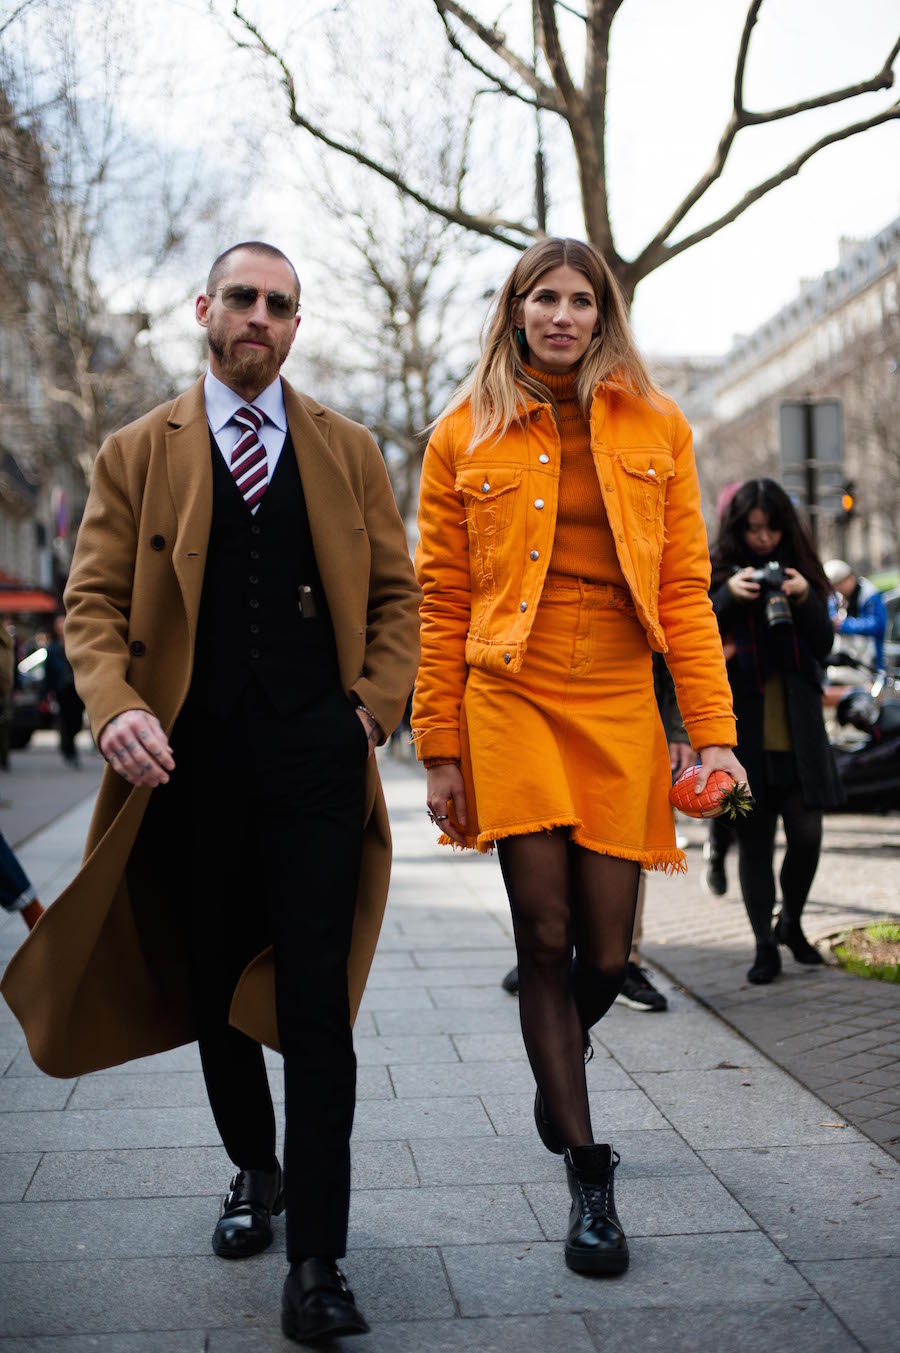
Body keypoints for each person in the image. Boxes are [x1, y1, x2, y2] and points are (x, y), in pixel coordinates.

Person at [1, 241, 420, 1344]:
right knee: (210, 993)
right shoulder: (137, 450)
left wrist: (371, 710)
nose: (261, 319)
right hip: (187, 768)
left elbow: (394, 598)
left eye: (282, 306)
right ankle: (256, 1170)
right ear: (204, 309)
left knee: (317, 1006)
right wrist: (115, 704)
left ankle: (320, 1260)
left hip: (316, 762)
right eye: (243, 298)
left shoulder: (349, 449)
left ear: (295, 326)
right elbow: (90, 604)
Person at [413, 237, 743, 1277]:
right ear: (514, 311)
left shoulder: (660, 424)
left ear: (604, 316)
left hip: (613, 697)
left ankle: (561, 1069)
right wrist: (440, 745)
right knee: (544, 931)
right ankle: (588, 1168)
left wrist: (715, 729)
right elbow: (442, 600)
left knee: (606, 955)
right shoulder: (462, 435)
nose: (561, 315)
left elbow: (687, 590)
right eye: (543, 298)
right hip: (507, 690)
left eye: (580, 300)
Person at [710, 479, 845, 985]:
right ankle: (764, 944)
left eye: (771, 529)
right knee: (755, 839)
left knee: (808, 833)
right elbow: (695, 633)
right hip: (742, 725)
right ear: (739, 529)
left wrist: (807, 595)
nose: (763, 539)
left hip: (798, 724)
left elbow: (823, 644)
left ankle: (791, 921)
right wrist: (726, 594)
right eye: (753, 529)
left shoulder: (800, 569)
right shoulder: (719, 570)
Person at [824, 558, 888, 674]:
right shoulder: (837, 598)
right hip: (846, 658)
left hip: (869, 663)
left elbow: (877, 625)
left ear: (848, 578)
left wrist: (843, 625)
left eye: (839, 584)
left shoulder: (869, 594)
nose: (838, 589)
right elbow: (830, 617)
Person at [43, 614, 85, 767]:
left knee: (76, 721)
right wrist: (47, 692)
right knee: (65, 721)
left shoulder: (77, 644)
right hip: (61, 690)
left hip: (77, 688)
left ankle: (68, 745)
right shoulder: (53, 648)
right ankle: (69, 750)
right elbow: (48, 672)